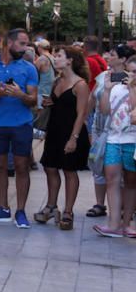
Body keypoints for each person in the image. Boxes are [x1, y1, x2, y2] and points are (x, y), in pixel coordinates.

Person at [0, 28, 39, 228]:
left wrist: (20, 95)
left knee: (22, 167)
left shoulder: (29, 68)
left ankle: (21, 211)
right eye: (22, 43)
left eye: (27, 44)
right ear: (9, 43)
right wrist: (0, 94)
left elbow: (33, 100)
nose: (26, 48)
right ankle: (3, 208)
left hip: (21, 124)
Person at [34, 47, 90, 231]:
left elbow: (81, 114)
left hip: (71, 132)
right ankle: (51, 206)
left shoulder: (80, 84)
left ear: (70, 61)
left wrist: (73, 138)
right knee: (50, 167)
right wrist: (50, 102)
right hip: (55, 131)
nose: (55, 59)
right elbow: (56, 104)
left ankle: (68, 211)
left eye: (59, 56)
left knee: (69, 170)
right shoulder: (58, 80)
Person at [86, 45, 135, 219]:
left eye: (112, 55)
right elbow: (93, 99)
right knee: (98, 166)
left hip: (121, 131)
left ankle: (122, 209)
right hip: (100, 128)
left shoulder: (131, 80)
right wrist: (87, 123)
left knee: (123, 174)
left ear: (123, 59)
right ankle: (100, 204)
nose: (108, 57)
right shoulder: (102, 77)